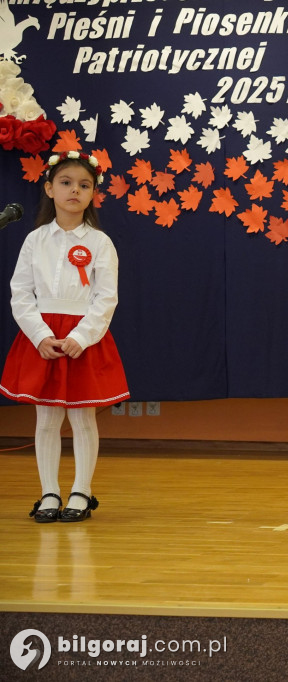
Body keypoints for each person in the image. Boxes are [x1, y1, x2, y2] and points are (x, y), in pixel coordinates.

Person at [1, 150, 129, 523]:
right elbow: (21, 293)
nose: (75, 190)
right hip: (43, 339)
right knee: (46, 419)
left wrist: (81, 336)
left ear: (93, 194)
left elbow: (106, 297)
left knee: (83, 418)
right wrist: (41, 335)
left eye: (84, 185)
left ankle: (81, 491)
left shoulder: (100, 243)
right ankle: (49, 493)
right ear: (49, 188)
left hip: (81, 338)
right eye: (66, 183)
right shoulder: (35, 240)